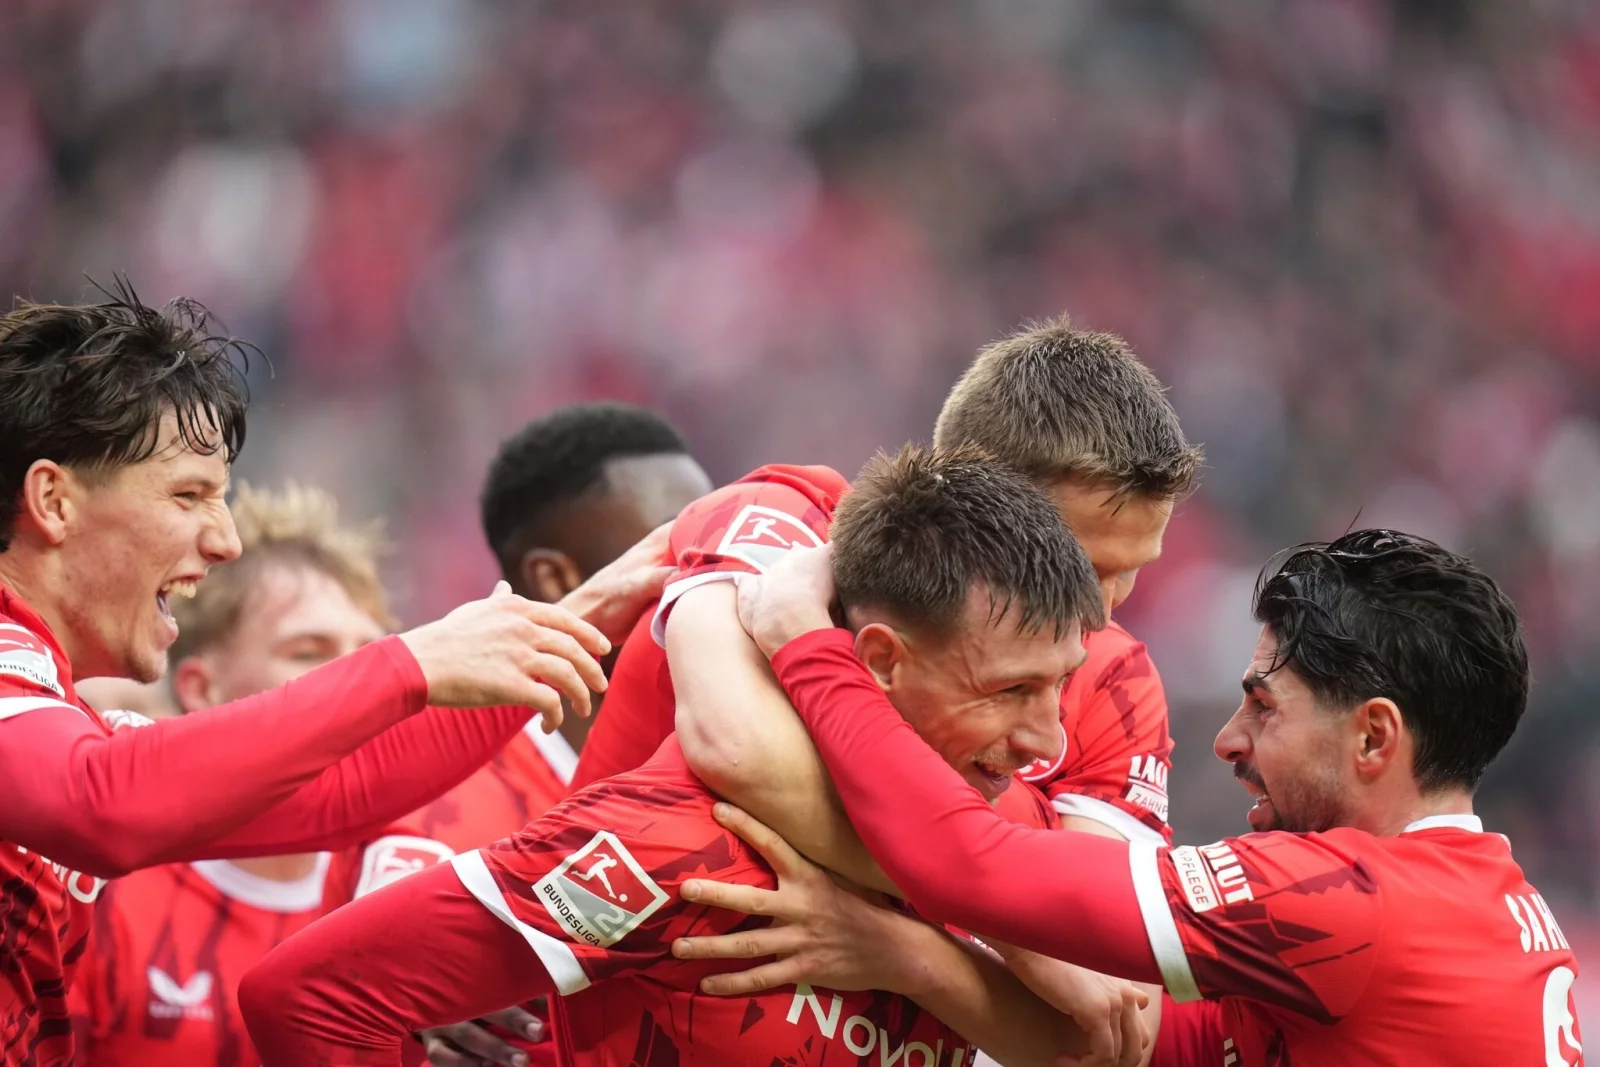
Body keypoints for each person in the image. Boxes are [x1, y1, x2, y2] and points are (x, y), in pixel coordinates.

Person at [238, 446, 1141, 1067]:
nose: (1048, 742)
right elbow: (310, 1001)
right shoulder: (675, 843)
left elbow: (1098, 1041)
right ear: (879, 661)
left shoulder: (1007, 810)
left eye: (1057, 686)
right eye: (1010, 690)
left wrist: (906, 953)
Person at [0, 289, 650, 1066]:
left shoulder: (58, 716)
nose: (225, 539)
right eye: (188, 494)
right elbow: (99, 800)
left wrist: (577, 619)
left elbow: (343, 790)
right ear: (53, 500)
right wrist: (407, 662)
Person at [680, 530, 1584, 1065]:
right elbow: (1141, 1048)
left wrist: (792, 638)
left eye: (1265, 705)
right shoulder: (1483, 905)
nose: (1228, 739)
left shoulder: (1353, 903)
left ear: (1375, 737)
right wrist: (905, 955)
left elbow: (969, 865)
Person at [575, 315, 1198, 856]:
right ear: (978, 498)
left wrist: (891, 940)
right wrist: (1003, 873)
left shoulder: (1119, 681)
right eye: (1083, 567)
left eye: (1131, 570)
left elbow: (1105, 947)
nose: (1101, 612)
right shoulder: (791, 521)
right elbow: (737, 750)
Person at [332, 404, 707, 1067]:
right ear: (557, 578)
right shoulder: (443, 803)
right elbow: (380, 979)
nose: (711, 572)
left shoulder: (734, 761)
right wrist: (420, 1000)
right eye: (674, 549)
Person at [68, 482, 394, 1066]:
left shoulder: (406, 876)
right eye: (309, 651)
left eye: (372, 654)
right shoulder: (97, 893)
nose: (360, 682)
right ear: (202, 689)